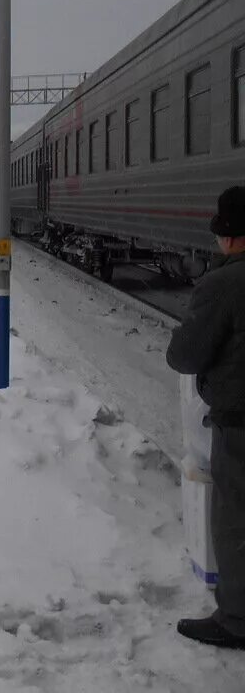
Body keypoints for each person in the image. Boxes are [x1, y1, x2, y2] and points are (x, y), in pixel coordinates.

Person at [168, 185, 245, 649]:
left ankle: (237, 619)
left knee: (235, 518)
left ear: (232, 238)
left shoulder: (223, 283)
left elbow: (186, 355)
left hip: (240, 423)